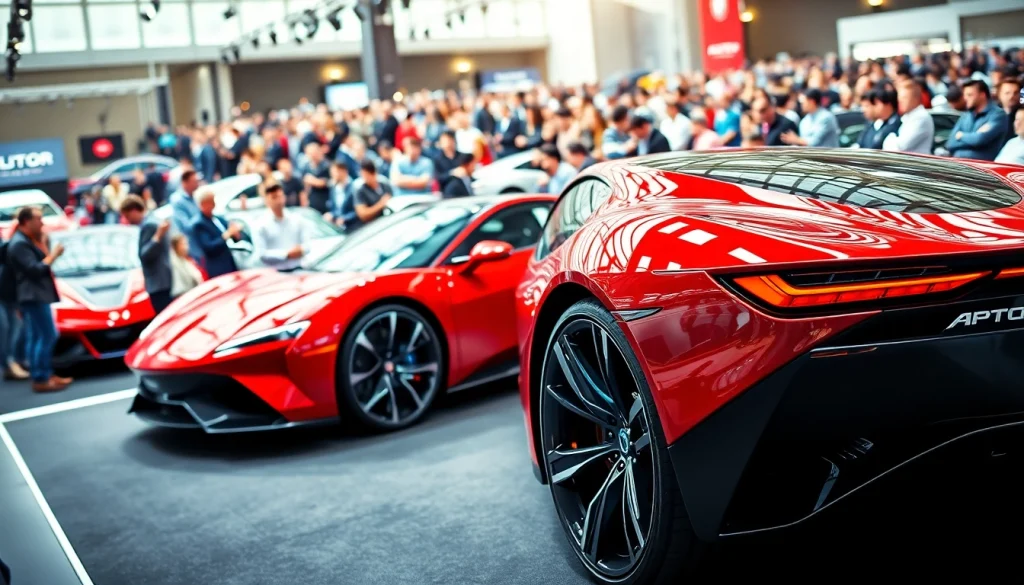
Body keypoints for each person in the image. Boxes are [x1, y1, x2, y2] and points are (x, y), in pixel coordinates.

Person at [7, 207, 70, 392]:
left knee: (36, 336)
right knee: (48, 334)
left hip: (34, 295)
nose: (42, 222)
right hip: (32, 295)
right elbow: (36, 269)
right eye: (38, 219)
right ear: (26, 221)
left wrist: (45, 245)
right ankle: (41, 377)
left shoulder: (26, 240)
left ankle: (43, 374)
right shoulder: (19, 244)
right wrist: (54, 256)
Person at [121, 196, 174, 313]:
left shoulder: (148, 225)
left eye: (127, 216)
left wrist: (156, 238)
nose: (127, 220)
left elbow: (145, 255)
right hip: (164, 279)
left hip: (158, 282)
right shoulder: (154, 220)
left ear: (134, 211)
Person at [946, 79, 1009, 161]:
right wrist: (973, 138)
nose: (965, 99)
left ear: (982, 95)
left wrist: (961, 135)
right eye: (965, 95)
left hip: (982, 169)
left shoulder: (997, 115)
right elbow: (950, 143)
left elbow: (979, 139)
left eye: (969, 95)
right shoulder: (966, 115)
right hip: (959, 166)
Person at [253, 183, 310, 272]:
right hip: (275, 274)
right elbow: (261, 254)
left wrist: (301, 250)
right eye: (274, 197)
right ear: (267, 200)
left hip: (298, 270)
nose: (278, 201)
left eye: (280, 196)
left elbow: (307, 244)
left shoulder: (297, 219)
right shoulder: (261, 224)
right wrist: (286, 254)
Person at [190, 188, 243, 278]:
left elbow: (233, 235)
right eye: (210, 202)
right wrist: (226, 235)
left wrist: (235, 233)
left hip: (229, 262)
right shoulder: (199, 224)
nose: (214, 204)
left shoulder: (218, 218)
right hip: (217, 267)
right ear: (203, 204)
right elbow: (209, 247)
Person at [0, 233, 29, 380]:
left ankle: (13, 361)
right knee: (4, 327)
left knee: (14, 325)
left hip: (6, 291)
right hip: (5, 291)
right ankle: (8, 363)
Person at [883, 80, 935, 154]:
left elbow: (900, 148)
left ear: (915, 98)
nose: (900, 101)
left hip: (917, 164)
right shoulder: (909, 116)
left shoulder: (921, 117)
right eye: (899, 98)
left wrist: (890, 138)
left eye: (904, 98)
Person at [169, 169, 204, 264]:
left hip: (201, 244)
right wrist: (203, 216)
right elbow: (186, 226)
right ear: (185, 183)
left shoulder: (195, 196)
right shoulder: (178, 200)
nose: (197, 184)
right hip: (192, 246)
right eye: (194, 181)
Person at [354, 159, 393, 224]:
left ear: (374, 173)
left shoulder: (384, 184)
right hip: (373, 225)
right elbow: (363, 215)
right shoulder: (360, 191)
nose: (365, 178)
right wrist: (381, 204)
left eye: (367, 175)